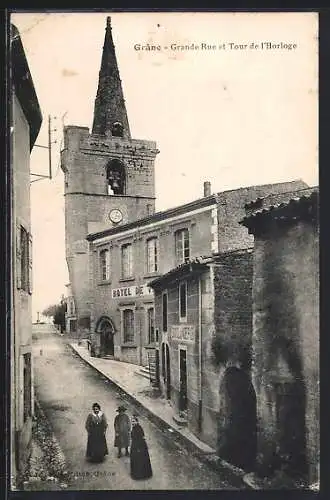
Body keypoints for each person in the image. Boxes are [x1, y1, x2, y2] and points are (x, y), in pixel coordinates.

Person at [130, 414, 153, 480]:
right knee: (136, 460)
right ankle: (137, 474)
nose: (132, 423)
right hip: (135, 445)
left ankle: (141, 475)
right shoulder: (134, 428)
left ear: (137, 422)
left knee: (140, 459)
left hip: (139, 446)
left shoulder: (139, 428)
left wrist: (138, 448)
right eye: (132, 421)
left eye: (134, 421)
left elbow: (141, 438)